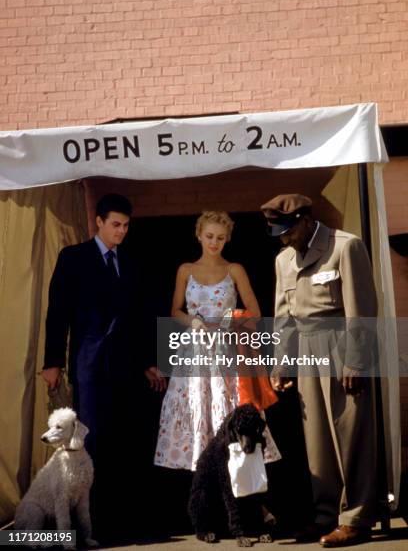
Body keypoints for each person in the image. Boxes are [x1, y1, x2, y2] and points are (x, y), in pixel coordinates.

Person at [41, 193, 164, 537]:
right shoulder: (73, 257)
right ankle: (89, 523)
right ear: (98, 222)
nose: (121, 232)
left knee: (124, 439)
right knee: (90, 441)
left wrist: (148, 363)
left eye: (126, 226)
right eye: (115, 225)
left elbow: (140, 318)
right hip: (88, 364)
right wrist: (52, 363)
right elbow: (57, 312)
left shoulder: (132, 262)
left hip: (125, 365)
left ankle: (122, 520)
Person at [261, 193, 378, 547]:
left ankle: (356, 517)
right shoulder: (284, 260)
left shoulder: (345, 246)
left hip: (342, 347)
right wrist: (281, 363)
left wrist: (356, 359)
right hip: (309, 353)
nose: (283, 238)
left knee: (352, 434)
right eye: (277, 232)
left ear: (305, 221)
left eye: (287, 230)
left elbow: (363, 307)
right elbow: (284, 317)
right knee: (318, 443)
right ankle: (326, 516)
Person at [154, 210, 280, 472]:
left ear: (227, 240)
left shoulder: (234, 270)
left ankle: (243, 485)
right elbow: (175, 310)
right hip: (195, 350)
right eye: (209, 236)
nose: (214, 243)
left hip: (227, 349)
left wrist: (229, 321)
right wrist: (194, 322)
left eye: (220, 238)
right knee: (197, 407)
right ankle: (204, 489)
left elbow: (255, 313)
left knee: (229, 410)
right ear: (199, 235)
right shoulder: (185, 270)